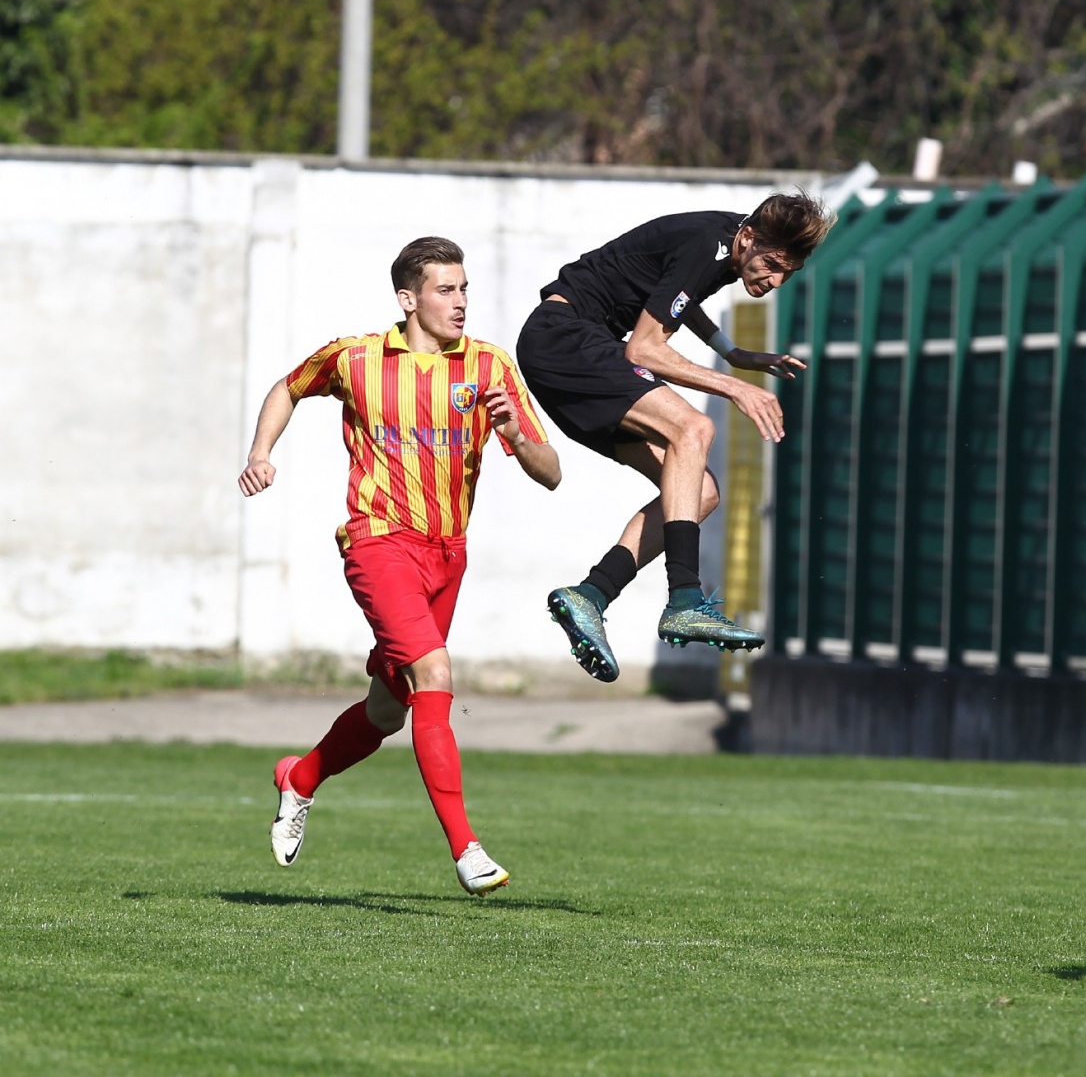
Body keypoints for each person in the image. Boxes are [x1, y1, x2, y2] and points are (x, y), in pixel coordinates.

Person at [238, 236, 560, 896]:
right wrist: (261, 452)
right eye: (446, 290)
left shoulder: (490, 367)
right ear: (408, 299)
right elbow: (288, 387)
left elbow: (550, 473)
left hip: (448, 554)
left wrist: (518, 433)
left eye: (465, 288)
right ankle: (466, 849)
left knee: (388, 710)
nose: (461, 302)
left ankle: (298, 779)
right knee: (435, 673)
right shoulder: (355, 358)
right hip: (378, 540)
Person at [517, 192, 833, 682]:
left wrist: (731, 352)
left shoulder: (730, 241)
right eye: (771, 265)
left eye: (786, 274)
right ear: (748, 239)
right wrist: (735, 387)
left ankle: (592, 595)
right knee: (695, 426)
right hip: (565, 339)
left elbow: (675, 295)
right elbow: (644, 349)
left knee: (700, 493)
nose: (774, 280)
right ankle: (685, 598)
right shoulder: (708, 242)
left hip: (570, 347)